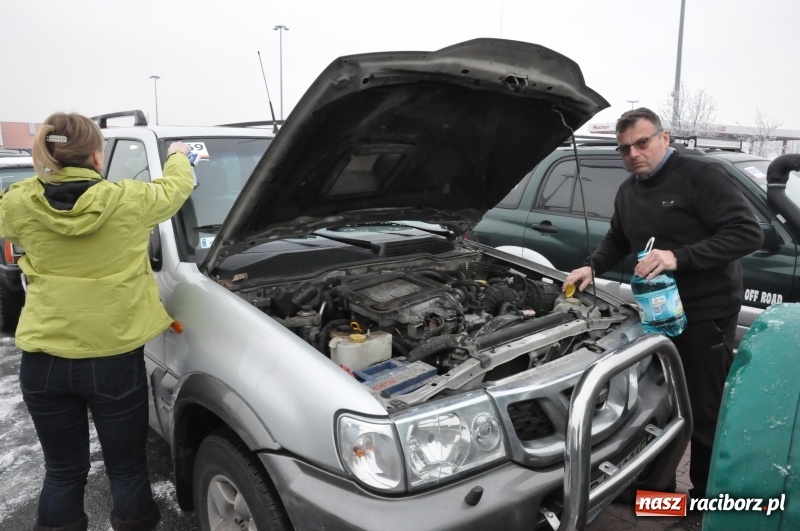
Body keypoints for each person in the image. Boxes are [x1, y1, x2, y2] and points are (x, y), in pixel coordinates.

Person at [563, 108, 763, 528]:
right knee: (660, 403)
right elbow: (618, 237)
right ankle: (658, 495)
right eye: (624, 149)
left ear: (664, 137)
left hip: (705, 312)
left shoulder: (700, 176)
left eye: (642, 143)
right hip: (657, 314)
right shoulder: (629, 190)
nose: (633, 154)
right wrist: (592, 266)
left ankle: (707, 505)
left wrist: (679, 257)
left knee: (704, 411)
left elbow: (747, 232)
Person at [0, 112, 194, 531]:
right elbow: (175, 188)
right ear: (94, 154)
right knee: (126, 469)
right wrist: (179, 155)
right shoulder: (128, 199)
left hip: (43, 363)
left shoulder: (18, 201)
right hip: (113, 359)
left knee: (63, 471)